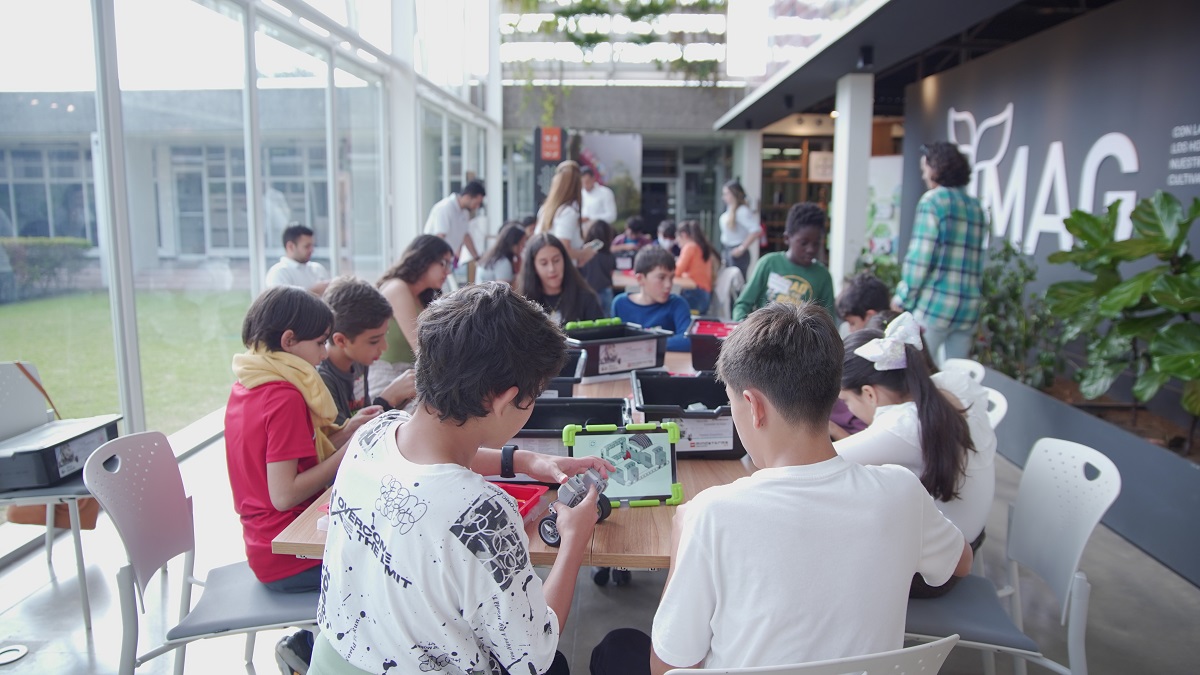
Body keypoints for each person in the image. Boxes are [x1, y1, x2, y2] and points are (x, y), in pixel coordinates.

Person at [589, 302, 972, 674]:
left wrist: (680, 536)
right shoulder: (902, 491)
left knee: (616, 647)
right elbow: (960, 562)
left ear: (754, 407)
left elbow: (668, 666)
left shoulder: (713, 514)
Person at [309, 283, 613, 675]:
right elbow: (534, 655)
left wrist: (525, 460)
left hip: (334, 658)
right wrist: (574, 540)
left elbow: (435, 462)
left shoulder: (373, 433)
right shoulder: (482, 514)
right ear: (505, 399)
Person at [223, 286, 379, 674]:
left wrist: (346, 431)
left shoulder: (249, 383)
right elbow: (284, 493)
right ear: (289, 341)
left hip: (264, 544)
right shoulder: (284, 396)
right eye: (320, 342)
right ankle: (316, 651)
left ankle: (308, 645)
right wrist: (349, 451)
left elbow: (290, 460)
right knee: (386, 563)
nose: (324, 354)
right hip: (287, 552)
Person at [834, 312, 995, 598]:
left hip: (936, 572)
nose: (848, 409)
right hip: (969, 540)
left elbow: (814, 463)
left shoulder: (903, 425)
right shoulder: (949, 386)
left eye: (846, 400)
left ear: (870, 394)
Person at [894, 141, 988, 366]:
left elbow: (920, 258)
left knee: (917, 373)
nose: (924, 175)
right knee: (954, 378)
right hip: (968, 308)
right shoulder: (976, 207)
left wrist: (902, 298)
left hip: (935, 306)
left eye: (925, 168)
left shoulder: (933, 201)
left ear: (936, 168)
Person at [317, 276, 417, 425]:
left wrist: (401, 398)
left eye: (385, 335)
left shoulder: (358, 362)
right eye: (374, 341)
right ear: (341, 341)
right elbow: (342, 443)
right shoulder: (322, 381)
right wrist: (386, 399)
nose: (384, 347)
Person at [367, 235, 454, 395]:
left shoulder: (423, 296)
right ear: (424, 259)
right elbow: (422, 349)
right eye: (443, 263)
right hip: (388, 380)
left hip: (410, 376)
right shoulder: (397, 288)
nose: (447, 271)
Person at [733, 202, 835, 321]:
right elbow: (743, 305)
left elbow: (829, 321)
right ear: (787, 238)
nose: (811, 249)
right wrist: (743, 327)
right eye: (803, 243)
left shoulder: (823, 276)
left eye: (816, 243)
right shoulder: (768, 263)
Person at [612, 246, 693, 352]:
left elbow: (688, 340)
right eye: (661, 278)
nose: (668, 285)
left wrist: (639, 344)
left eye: (671, 278)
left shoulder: (677, 304)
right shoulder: (620, 303)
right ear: (640, 279)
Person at [518, 232, 604, 325]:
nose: (552, 269)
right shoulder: (524, 304)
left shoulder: (586, 298)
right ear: (533, 267)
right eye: (544, 263)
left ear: (565, 260)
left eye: (556, 260)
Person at [538, 160, 597, 267]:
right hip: (561, 275)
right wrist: (584, 253)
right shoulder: (568, 212)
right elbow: (563, 248)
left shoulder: (546, 209)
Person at [423, 179, 485, 264]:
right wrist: (441, 262)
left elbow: (466, 236)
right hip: (435, 259)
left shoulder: (464, 213)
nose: (477, 207)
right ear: (467, 197)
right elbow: (440, 237)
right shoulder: (445, 208)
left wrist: (477, 258)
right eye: (476, 203)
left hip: (446, 260)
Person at [265, 224, 331, 296]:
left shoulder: (318, 268)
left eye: (312, 246)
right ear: (290, 247)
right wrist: (314, 292)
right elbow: (282, 305)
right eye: (307, 246)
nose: (312, 250)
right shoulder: (279, 273)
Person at [718, 180, 759, 278]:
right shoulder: (729, 209)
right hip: (727, 250)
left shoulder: (742, 211)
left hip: (737, 253)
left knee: (737, 284)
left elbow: (756, 230)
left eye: (726, 194)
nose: (724, 197)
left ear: (734, 194)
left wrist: (741, 248)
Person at [673, 220, 714, 314]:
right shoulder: (701, 247)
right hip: (704, 296)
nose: (677, 242)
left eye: (678, 238)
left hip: (694, 295)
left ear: (683, 235)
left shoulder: (690, 247)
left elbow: (676, 272)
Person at [579, 219, 617, 316]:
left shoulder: (583, 254)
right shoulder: (610, 255)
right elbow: (611, 273)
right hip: (606, 290)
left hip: (588, 290)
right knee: (608, 321)